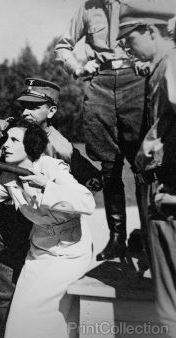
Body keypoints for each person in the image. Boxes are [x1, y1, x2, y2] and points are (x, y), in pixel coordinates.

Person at [0, 78, 101, 332]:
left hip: (30, 227)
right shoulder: (7, 129)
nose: (25, 112)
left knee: (31, 299)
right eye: (23, 106)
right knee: (2, 293)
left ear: (52, 111)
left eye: (34, 107)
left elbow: (92, 184)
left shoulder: (60, 147)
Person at [54, 0, 149, 262]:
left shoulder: (140, 4)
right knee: (109, 166)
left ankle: (150, 238)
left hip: (135, 81)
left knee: (143, 165)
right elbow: (63, 46)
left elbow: (160, 38)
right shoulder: (87, 9)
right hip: (101, 85)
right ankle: (117, 239)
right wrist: (79, 68)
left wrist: (149, 62)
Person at [118, 2, 176, 335]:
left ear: (151, 30)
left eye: (129, 36)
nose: (124, 45)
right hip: (162, 192)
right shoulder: (159, 66)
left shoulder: (171, 62)